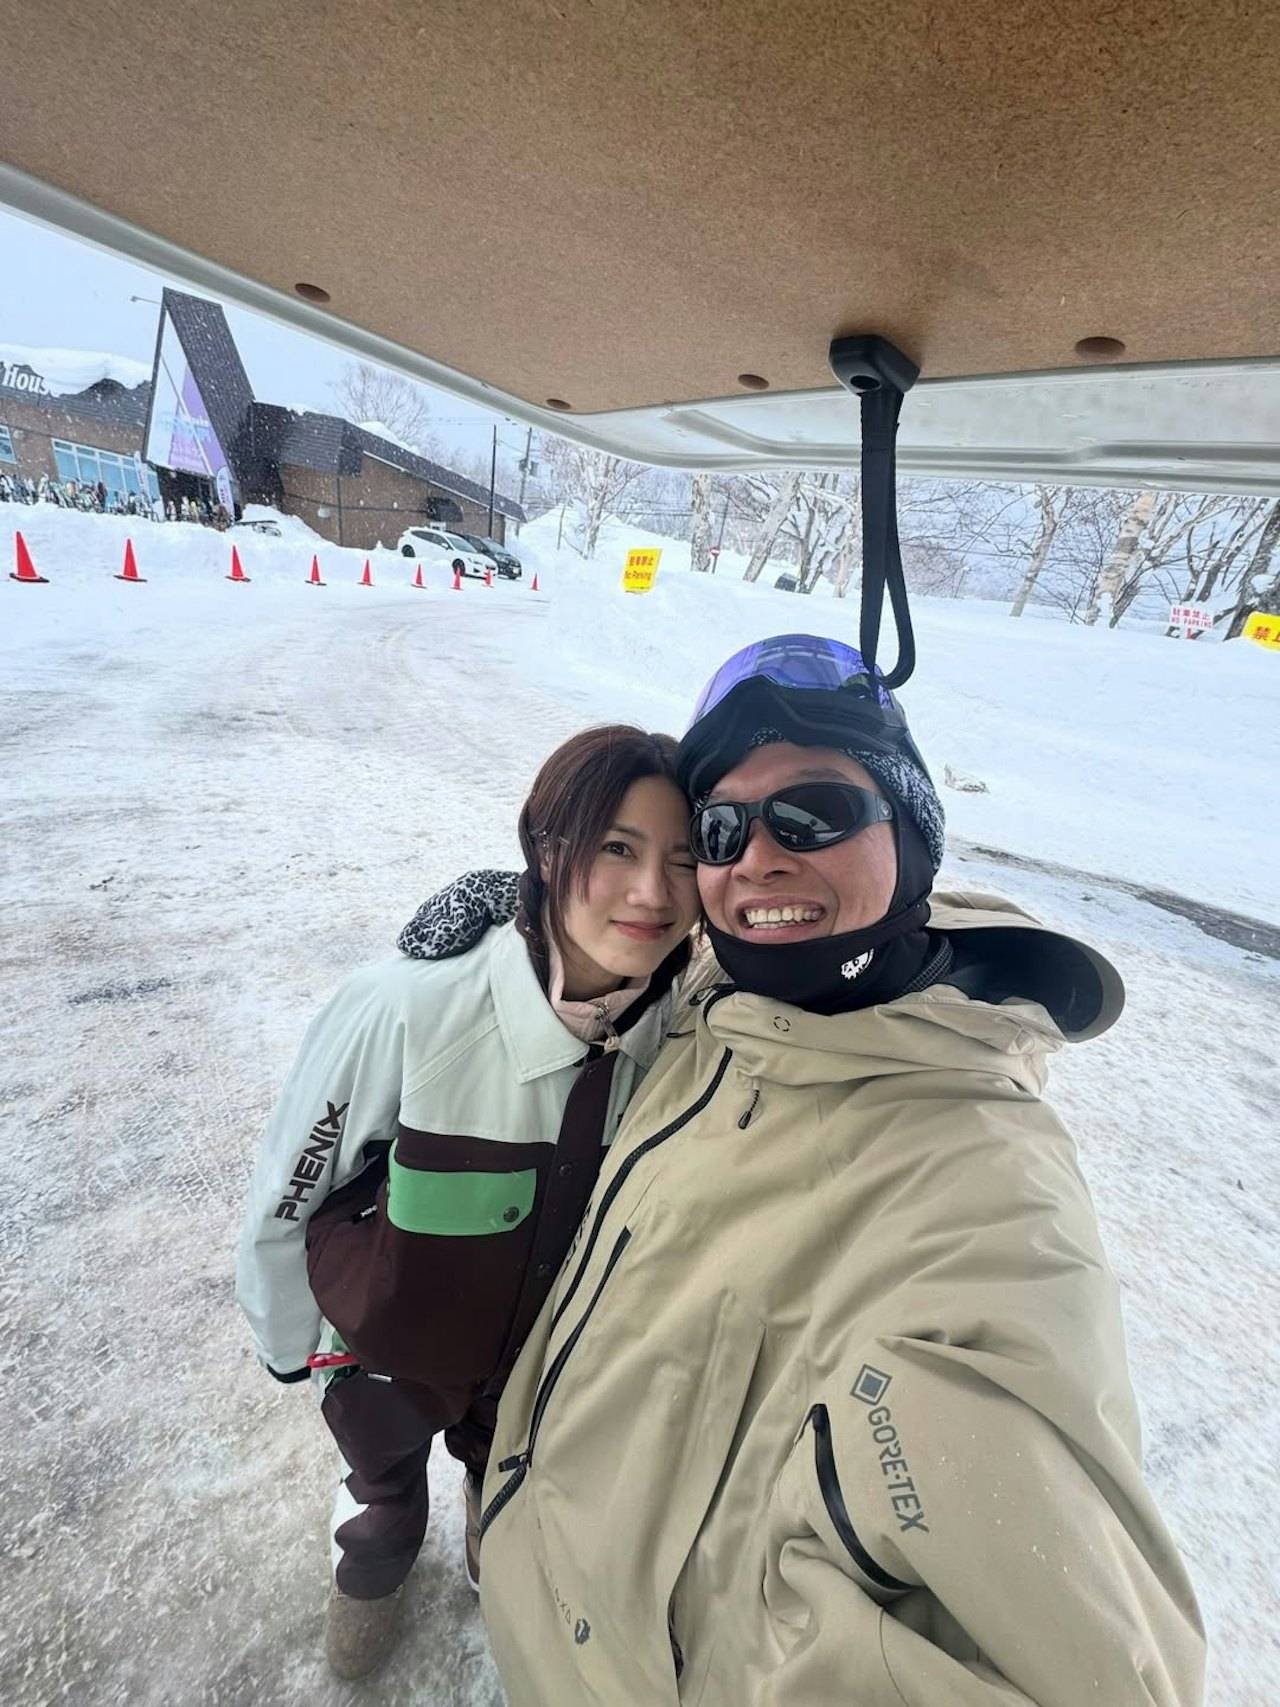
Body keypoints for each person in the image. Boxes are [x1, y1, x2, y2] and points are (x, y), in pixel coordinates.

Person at [466, 634, 1205, 1705]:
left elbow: (1069, 1651)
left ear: (911, 838)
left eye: (814, 812)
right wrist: (516, 928)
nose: (757, 859)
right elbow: (623, 935)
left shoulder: (983, 1192)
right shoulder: (723, 1000)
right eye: (722, 830)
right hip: (526, 1588)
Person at [235, 725, 699, 1683]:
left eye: (685, 858)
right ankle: (369, 1583)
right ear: (546, 848)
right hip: (386, 1359)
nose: (653, 892)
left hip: (538, 1372)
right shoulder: (409, 1005)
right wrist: (291, 1346)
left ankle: (501, 1569)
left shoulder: (678, 1037)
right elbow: (291, 1189)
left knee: (512, 1497)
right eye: (617, 847)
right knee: (381, 1502)